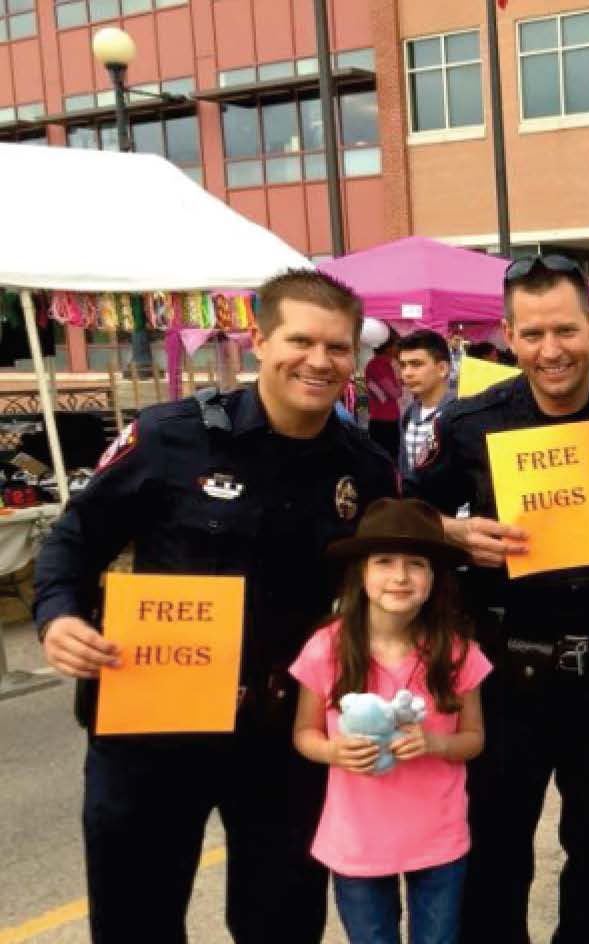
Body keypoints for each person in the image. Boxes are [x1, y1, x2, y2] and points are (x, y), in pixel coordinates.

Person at [34, 270, 398, 944]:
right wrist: (59, 617)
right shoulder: (171, 437)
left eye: (338, 348)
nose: (319, 361)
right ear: (258, 339)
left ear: (354, 356)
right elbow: (74, 540)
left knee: (282, 925)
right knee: (135, 921)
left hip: (283, 736)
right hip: (152, 727)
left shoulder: (366, 468)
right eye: (300, 340)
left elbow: (391, 577)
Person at [406, 254, 589, 944]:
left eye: (565, 330)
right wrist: (454, 531)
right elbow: (402, 514)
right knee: (495, 853)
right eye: (532, 334)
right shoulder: (474, 421)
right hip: (507, 673)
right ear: (508, 335)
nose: (550, 350)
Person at [290, 498, 491, 944]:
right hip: (358, 839)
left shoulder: (458, 652)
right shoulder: (327, 647)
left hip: (437, 836)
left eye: (415, 564)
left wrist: (437, 744)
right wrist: (332, 750)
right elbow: (304, 731)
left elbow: (474, 738)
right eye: (384, 562)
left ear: (433, 578)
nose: (400, 577)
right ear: (362, 574)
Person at [396, 329, 455, 478]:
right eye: (403, 365)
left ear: (442, 368)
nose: (407, 373)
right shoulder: (408, 414)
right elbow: (405, 467)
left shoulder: (460, 413)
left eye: (416, 364)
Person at [366, 329, 403, 459]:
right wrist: (400, 384)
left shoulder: (379, 364)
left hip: (383, 417)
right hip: (385, 419)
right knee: (388, 456)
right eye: (396, 345)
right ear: (388, 348)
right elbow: (394, 393)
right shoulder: (380, 364)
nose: (398, 349)